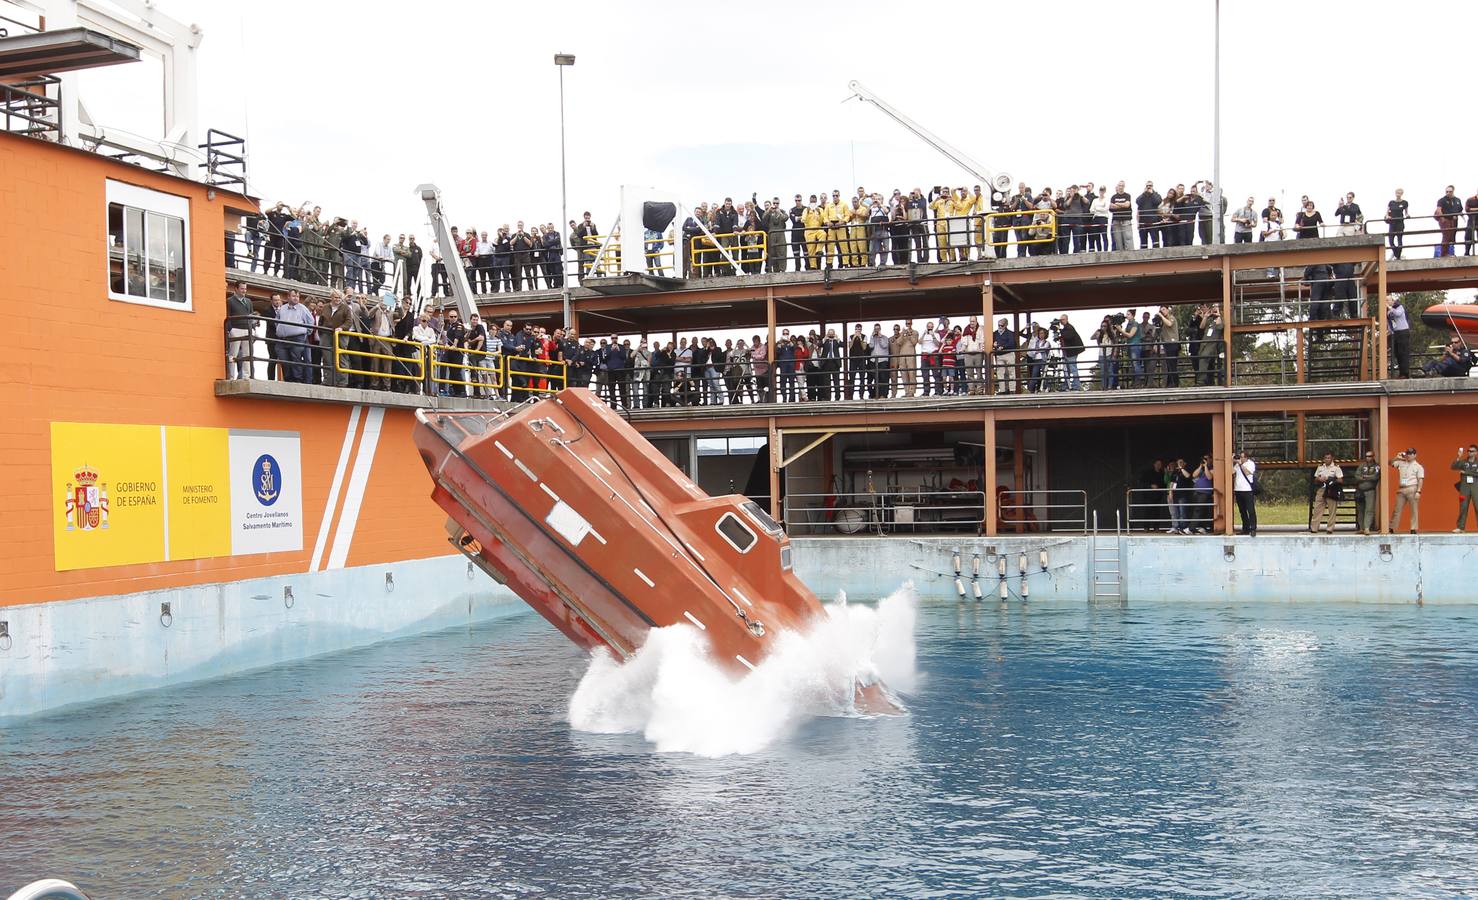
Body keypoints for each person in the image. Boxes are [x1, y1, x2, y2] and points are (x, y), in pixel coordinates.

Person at [274, 291, 315, 384]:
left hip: (297, 337)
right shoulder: (282, 308)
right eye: (294, 296)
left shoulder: (303, 308)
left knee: (296, 358)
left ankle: (297, 379)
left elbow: (310, 321)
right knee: (284, 359)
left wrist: (305, 333)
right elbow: (276, 321)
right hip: (283, 339)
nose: (296, 298)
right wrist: (281, 330)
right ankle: (288, 379)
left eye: (297, 296)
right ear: (288, 297)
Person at [1389, 447, 1424, 533]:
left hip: (1412, 488)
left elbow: (1420, 479)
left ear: (1415, 455)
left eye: (1411, 454)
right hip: (1402, 488)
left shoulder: (1418, 466)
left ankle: (1413, 528)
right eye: (1407, 453)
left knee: (1413, 509)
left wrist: (1418, 491)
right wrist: (1397, 457)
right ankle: (1392, 527)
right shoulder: (1401, 463)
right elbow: (1390, 463)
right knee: (1397, 509)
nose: (1409, 455)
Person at [225, 281, 253, 379]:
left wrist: (252, 329)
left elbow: (251, 315)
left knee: (247, 354)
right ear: (236, 289)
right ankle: (231, 376)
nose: (244, 291)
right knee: (233, 354)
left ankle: (246, 376)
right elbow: (227, 316)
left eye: (245, 289)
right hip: (235, 329)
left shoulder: (248, 301)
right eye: (242, 288)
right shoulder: (229, 301)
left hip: (247, 330)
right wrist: (230, 330)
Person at [1311, 452, 1344, 534]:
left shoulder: (1336, 468)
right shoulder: (1320, 467)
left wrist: (1330, 479)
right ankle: (1314, 528)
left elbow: (1340, 480)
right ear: (1323, 459)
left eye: (1329, 458)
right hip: (1322, 489)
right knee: (1317, 509)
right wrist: (1319, 479)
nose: (1327, 459)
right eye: (1325, 458)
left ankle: (1330, 529)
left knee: (1332, 510)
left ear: (1332, 458)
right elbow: (1315, 479)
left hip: (1331, 490)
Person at [1353, 450, 1381, 535]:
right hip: (1360, 490)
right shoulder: (1362, 465)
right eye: (1366, 456)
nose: (1367, 458)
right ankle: (1361, 528)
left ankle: (1367, 528)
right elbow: (1357, 476)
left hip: (1370, 490)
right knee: (1360, 509)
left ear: (1373, 457)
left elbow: (1375, 477)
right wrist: (1366, 478)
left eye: (1369, 456)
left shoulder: (1376, 466)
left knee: (1369, 509)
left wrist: (1365, 477)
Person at [1233, 451, 1258, 536]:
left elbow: (1248, 473)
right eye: (1240, 457)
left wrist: (1240, 464)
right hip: (1238, 490)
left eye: (1242, 457)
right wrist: (1231, 461)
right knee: (1242, 511)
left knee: (1250, 510)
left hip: (1247, 490)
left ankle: (1253, 528)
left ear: (1246, 457)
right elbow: (1231, 472)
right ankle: (1245, 529)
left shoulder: (1250, 464)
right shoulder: (1237, 465)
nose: (1241, 458)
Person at [1386, 296, 1411, 378]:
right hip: (1395, 333)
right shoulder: (1389, 311)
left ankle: (1405, 373)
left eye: (1387, 300)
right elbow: (1390, 322)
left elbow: (1397, 314)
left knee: (1403, 352)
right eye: (1385, 300)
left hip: (1403, 331)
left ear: (1392, 301)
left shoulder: (1399, 307)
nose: (1386, 302)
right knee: (1398, 353)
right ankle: (1401, 373)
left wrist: (1389, 307)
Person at [1454, 444, 1478, 532]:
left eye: (1472, 451)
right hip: (1465, 487)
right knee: (1463, 506)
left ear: (1476, 452)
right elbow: (1454, 466)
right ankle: (1460, 527)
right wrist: (1458, 457)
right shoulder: (1464, 462)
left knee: (1477, 506)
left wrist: (1466, 472)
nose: (1469, 452)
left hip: (1476, 487)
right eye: (1468, 451)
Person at [1057, 315, 1084, 390]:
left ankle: (1077, 386)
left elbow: (1068, 337)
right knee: (1067, 369)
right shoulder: (1066, 328)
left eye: (1063, 319)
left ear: (1066, 319)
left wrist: (1060, 330)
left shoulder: (1069, 327)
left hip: (1071, 351)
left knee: (1072, 368)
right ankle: (1067, 385)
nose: (1061, 321)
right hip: (1067, 351)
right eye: (1061, 320)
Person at [1435, 186, 1462, 257]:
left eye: (1450, 192)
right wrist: (1442, 218)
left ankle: (1449, 252)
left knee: (1451, 236)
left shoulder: (1457, 200)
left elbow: (1459, 210)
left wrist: (1460, 215)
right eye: (1447, 191)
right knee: (1446, 235)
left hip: (1453, 220)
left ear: (1453, 191)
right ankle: (1444, 253)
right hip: (1445, 219)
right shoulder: (1442, 200)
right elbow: (1438, 209)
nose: (1448, 193)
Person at [1192, 455, 1214, 534]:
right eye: (1204, 459)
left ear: (1210, 459)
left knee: (1199, 509)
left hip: (1205, 492)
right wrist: (1200, 466)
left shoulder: (1211, 467)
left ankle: (1192, 527)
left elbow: (1209, 477)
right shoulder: (1201, 468)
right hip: (1197, 492)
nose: (1205, 460)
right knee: (1197, 509)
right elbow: (1194, 475)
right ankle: (1199, 526)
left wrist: (1206, 467)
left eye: (1206, 459)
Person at [1384, 189, 1409, 259]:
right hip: (1392, 223)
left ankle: (1398, 256)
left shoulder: (1404, 202)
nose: (1398, 194)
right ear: (1395, 193)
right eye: (1397, 193)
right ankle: (1396, 254)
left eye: (1400, 193)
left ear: (1402, 194)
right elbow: (1387, 213)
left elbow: (1406, 213)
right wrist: (1387, 216)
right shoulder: (1391, 202)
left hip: (1400, 223)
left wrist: (1407, 216)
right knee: (1390, 240)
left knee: (1399, 239)